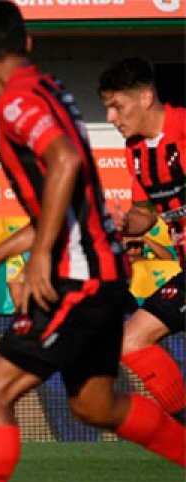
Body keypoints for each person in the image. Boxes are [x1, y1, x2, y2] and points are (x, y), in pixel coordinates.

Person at [0, 2, 185, 482]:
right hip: (103, 276)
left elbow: (64, 162)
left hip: (77, 280)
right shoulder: (47, 88)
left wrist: (38, 260)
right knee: (95, 405)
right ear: (27, 44)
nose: (112, 116)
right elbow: (64, 196)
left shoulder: (17, 102)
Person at [99, 57, 185, 424]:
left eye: (117, 106)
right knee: (130, 341)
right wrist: (123, 223)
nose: (111, 118)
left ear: (147, 97)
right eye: (107, 108)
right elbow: (145, 214)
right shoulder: (136, 152)